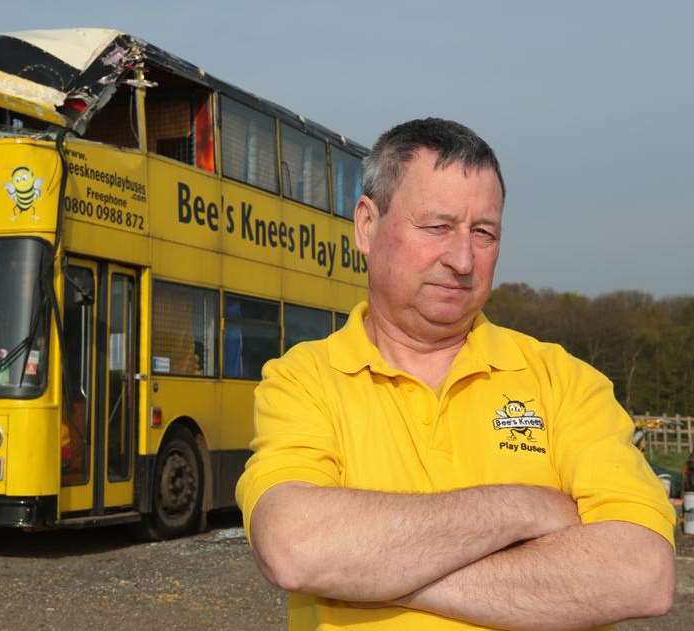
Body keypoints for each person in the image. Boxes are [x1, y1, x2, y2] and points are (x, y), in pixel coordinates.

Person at [235, 118, 676, 630]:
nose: (463, 259)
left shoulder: (565, 382)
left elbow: (641, 573)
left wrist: (370, 575)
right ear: (367, 226)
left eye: (483, 233)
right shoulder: (304, 379)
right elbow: (297, 549)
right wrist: (524, 507)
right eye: (437, 227)